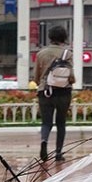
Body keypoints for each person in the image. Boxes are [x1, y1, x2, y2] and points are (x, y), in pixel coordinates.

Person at [34, 25, 75, 162]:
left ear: (50, 37)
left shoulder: (41, 53)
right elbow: (71, 77)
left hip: (45, 91)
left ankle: (44, 141)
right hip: (63, 92)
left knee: (46, 122)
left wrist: (42, 82)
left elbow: (36, 77)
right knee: (61, 122)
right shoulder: (67, 54)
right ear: (64, 37)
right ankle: (58, 153)